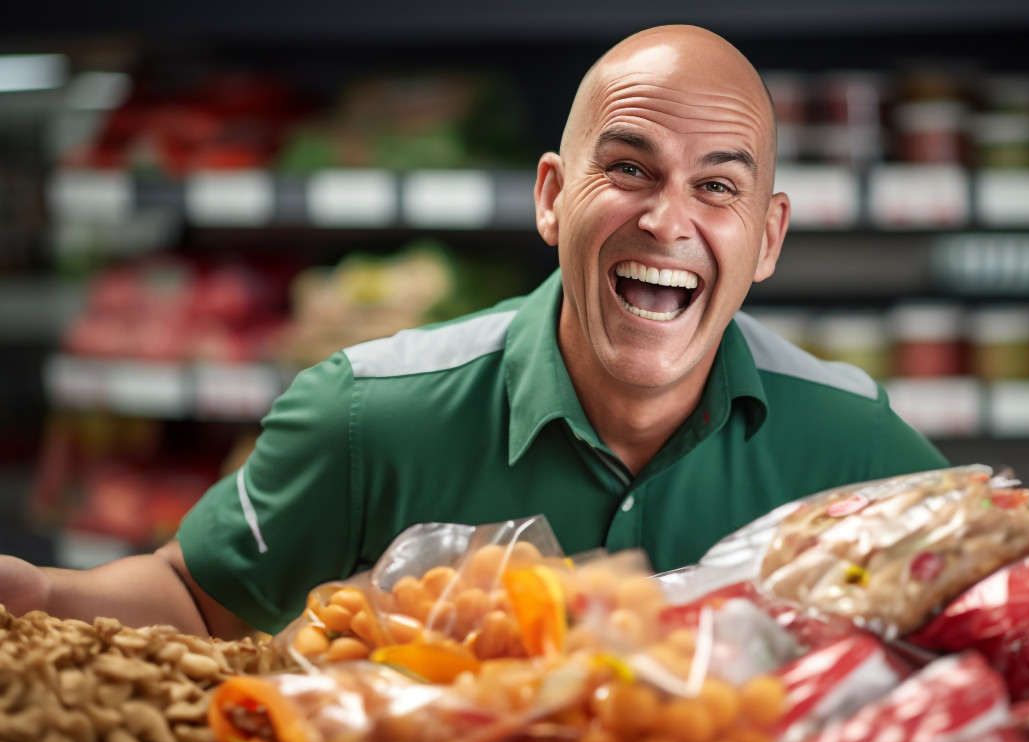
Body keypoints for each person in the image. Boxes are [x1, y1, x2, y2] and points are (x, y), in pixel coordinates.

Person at [0, 25, 946, 639]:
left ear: (768, 236)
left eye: (718, 185)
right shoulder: (368, 414)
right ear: (551, 198)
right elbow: (192, 601)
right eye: (628, 167)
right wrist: (41, 597)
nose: (668, 219)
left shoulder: (856, 443)